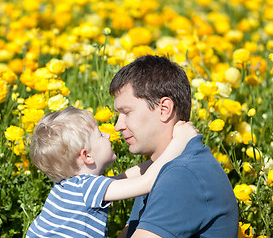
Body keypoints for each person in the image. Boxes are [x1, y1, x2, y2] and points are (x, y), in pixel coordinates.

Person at [109, 55, 239, 238]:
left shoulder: (182, 174)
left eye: (126, 112)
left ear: (164, 109)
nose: (118, 125)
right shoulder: (162, 167)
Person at [26, 106, 198, 238]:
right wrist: (180, 141)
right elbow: (147, 182)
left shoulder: (71, 187)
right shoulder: (88, 188)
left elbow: (125, 178)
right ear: (87, 156)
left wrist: (162, 154)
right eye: (100, 135)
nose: (108, 136)